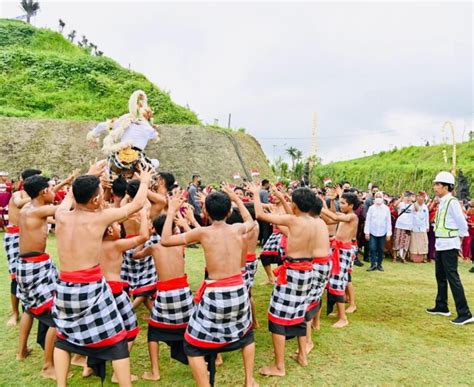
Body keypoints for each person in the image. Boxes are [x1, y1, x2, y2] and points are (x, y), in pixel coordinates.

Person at [52, 161, 152, 387]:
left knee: (65, 338)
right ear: (96, 200)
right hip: (90, 288)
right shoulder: (99, 218)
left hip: (64, 288)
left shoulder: (61, 215)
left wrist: (89, 175)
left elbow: (70, 197)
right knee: (117, 338)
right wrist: (144, 181)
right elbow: (135, 205)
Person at [161, 185, 257, 387]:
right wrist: (236, 198)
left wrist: (171, 211)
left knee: (192, 342)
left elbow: (166, 239)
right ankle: (249, 381)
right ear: (230, 212)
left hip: (216, 293)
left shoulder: (203, 233)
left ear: (205, 212)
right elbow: (250, 220)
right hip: (239, 289)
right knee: (246, 333)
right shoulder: (237, 228)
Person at [251, 184, 325, 376]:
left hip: (292, 273)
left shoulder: (293, 221)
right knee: (300, 313)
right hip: (307, 272)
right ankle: (302, 355)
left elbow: (259, 214)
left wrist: (254, 193)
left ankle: (279, 366)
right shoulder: (315, 222)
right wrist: (283, 200)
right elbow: (290, 215)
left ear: (296, 206)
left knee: (277, 317)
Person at [136, 214, 194, 381]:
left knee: (153, 332)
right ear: (174, 229)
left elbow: (135, 255)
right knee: (193, 326)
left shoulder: (154, 247)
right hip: (182, 292)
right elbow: (198, 237)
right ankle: (214, 357)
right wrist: (185, 224)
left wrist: (143, 236)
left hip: (166, 294)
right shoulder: (181, 242)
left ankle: (155, 371)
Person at [17, 175, 60, 379]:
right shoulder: (39, 210)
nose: (55, 192)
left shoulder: (28, 208)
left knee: (30, 308)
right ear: (43, 192)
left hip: (28, 265)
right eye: (52, 188)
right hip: (35, 267)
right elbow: (69, 206)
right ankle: (48, 366)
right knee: (54, 316)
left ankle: (21, 351)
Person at [100, 207, 150, 383]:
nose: (120, 228)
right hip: (114, 291)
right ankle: (117, 372)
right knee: (130, 329)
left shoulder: (93, 243)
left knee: (101, 329)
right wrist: (143, 215)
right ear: (109, 230)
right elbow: (144, 237)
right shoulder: (116, 244)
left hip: (98, 291)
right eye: (117, 225)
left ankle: (88, 365)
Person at [425, 172, 473, 325]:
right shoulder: (443, 201)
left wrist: (457, 240)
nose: (435, 187)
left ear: (446, 187)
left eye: (437, 185)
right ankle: (442, 305)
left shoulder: (451, 202)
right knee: (440, 276)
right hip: (441, 244)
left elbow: (462, 223)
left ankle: (465, 313)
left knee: (452, 278)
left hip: (449, 244)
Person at [4, 168, 40, 335]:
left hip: (27, 236)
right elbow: (18, 203)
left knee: (28, 274)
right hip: (14, 236)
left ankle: (30, 307)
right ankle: (15, 312)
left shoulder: (34, 197)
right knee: (15, 277)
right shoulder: (18, 195)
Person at [322, 192, 360, 328]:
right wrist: (326, 205)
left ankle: (343, 318)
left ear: (351, 206)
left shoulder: (352, 216)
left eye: (343, 203)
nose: (340, 205)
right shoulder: (345, 216)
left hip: (344, 251)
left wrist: (319, 206)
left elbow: (332, 215)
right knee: (337, 281)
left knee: (339, 281)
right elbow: (329, 219)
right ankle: (339, 312)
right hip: (338, 250)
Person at [364, 191, 392, 271]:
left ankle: (379, 265)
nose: (378, 198)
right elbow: (368, 221)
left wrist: (388, 233)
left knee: (381, 249)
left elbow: (388, 222)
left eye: (380, 197)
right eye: (377, 196)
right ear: (374, 198)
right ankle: (373, 264)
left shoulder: (386, 209)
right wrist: (367, 232)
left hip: (383, 233)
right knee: (372, 248)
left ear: (383, 198)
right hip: (372, 232)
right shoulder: (371, 208)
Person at [393, 192, 414, 263]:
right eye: (407, 196)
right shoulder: (401, 204)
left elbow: (417, 209)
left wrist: (413, 200)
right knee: (396, 241)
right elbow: (395, 205)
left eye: (409, 196)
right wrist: (401, 198)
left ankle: (403, 257)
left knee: (406, 242)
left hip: (408, 226)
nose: (408, 197)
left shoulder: (413, 205)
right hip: (399, 225)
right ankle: (395, 257)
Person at [409, 192, 430, 262]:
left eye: (422, 197)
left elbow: (427, 217)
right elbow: (410, 217)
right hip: (414, 227)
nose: (421, 198)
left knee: (424, 242)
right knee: (414, 243)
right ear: (417, 197)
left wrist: (427, 226)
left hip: (423, 227)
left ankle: (423, 257)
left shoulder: (425, 207)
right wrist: (410, 226)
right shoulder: (413, 206)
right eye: (419, 197)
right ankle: (412, 257)